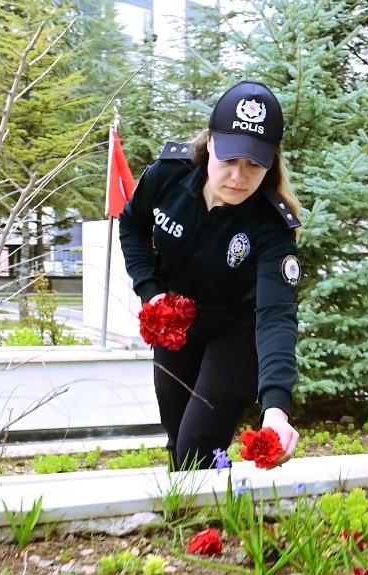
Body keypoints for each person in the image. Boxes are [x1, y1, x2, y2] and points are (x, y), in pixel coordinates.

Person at [118, 80, 301, 471]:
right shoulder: (167, 176)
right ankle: (196, 521)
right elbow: (131, 225)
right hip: (178, 323)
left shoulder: (272, 226)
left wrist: (276, 410)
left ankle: (209, 528)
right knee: (178, 439)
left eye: (254, 164)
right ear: (210, 142)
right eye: (230, 159)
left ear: (271, 161)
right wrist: (151, 294)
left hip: (236, 333)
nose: (238, 176)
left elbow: (276, 314)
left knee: (198, 444)